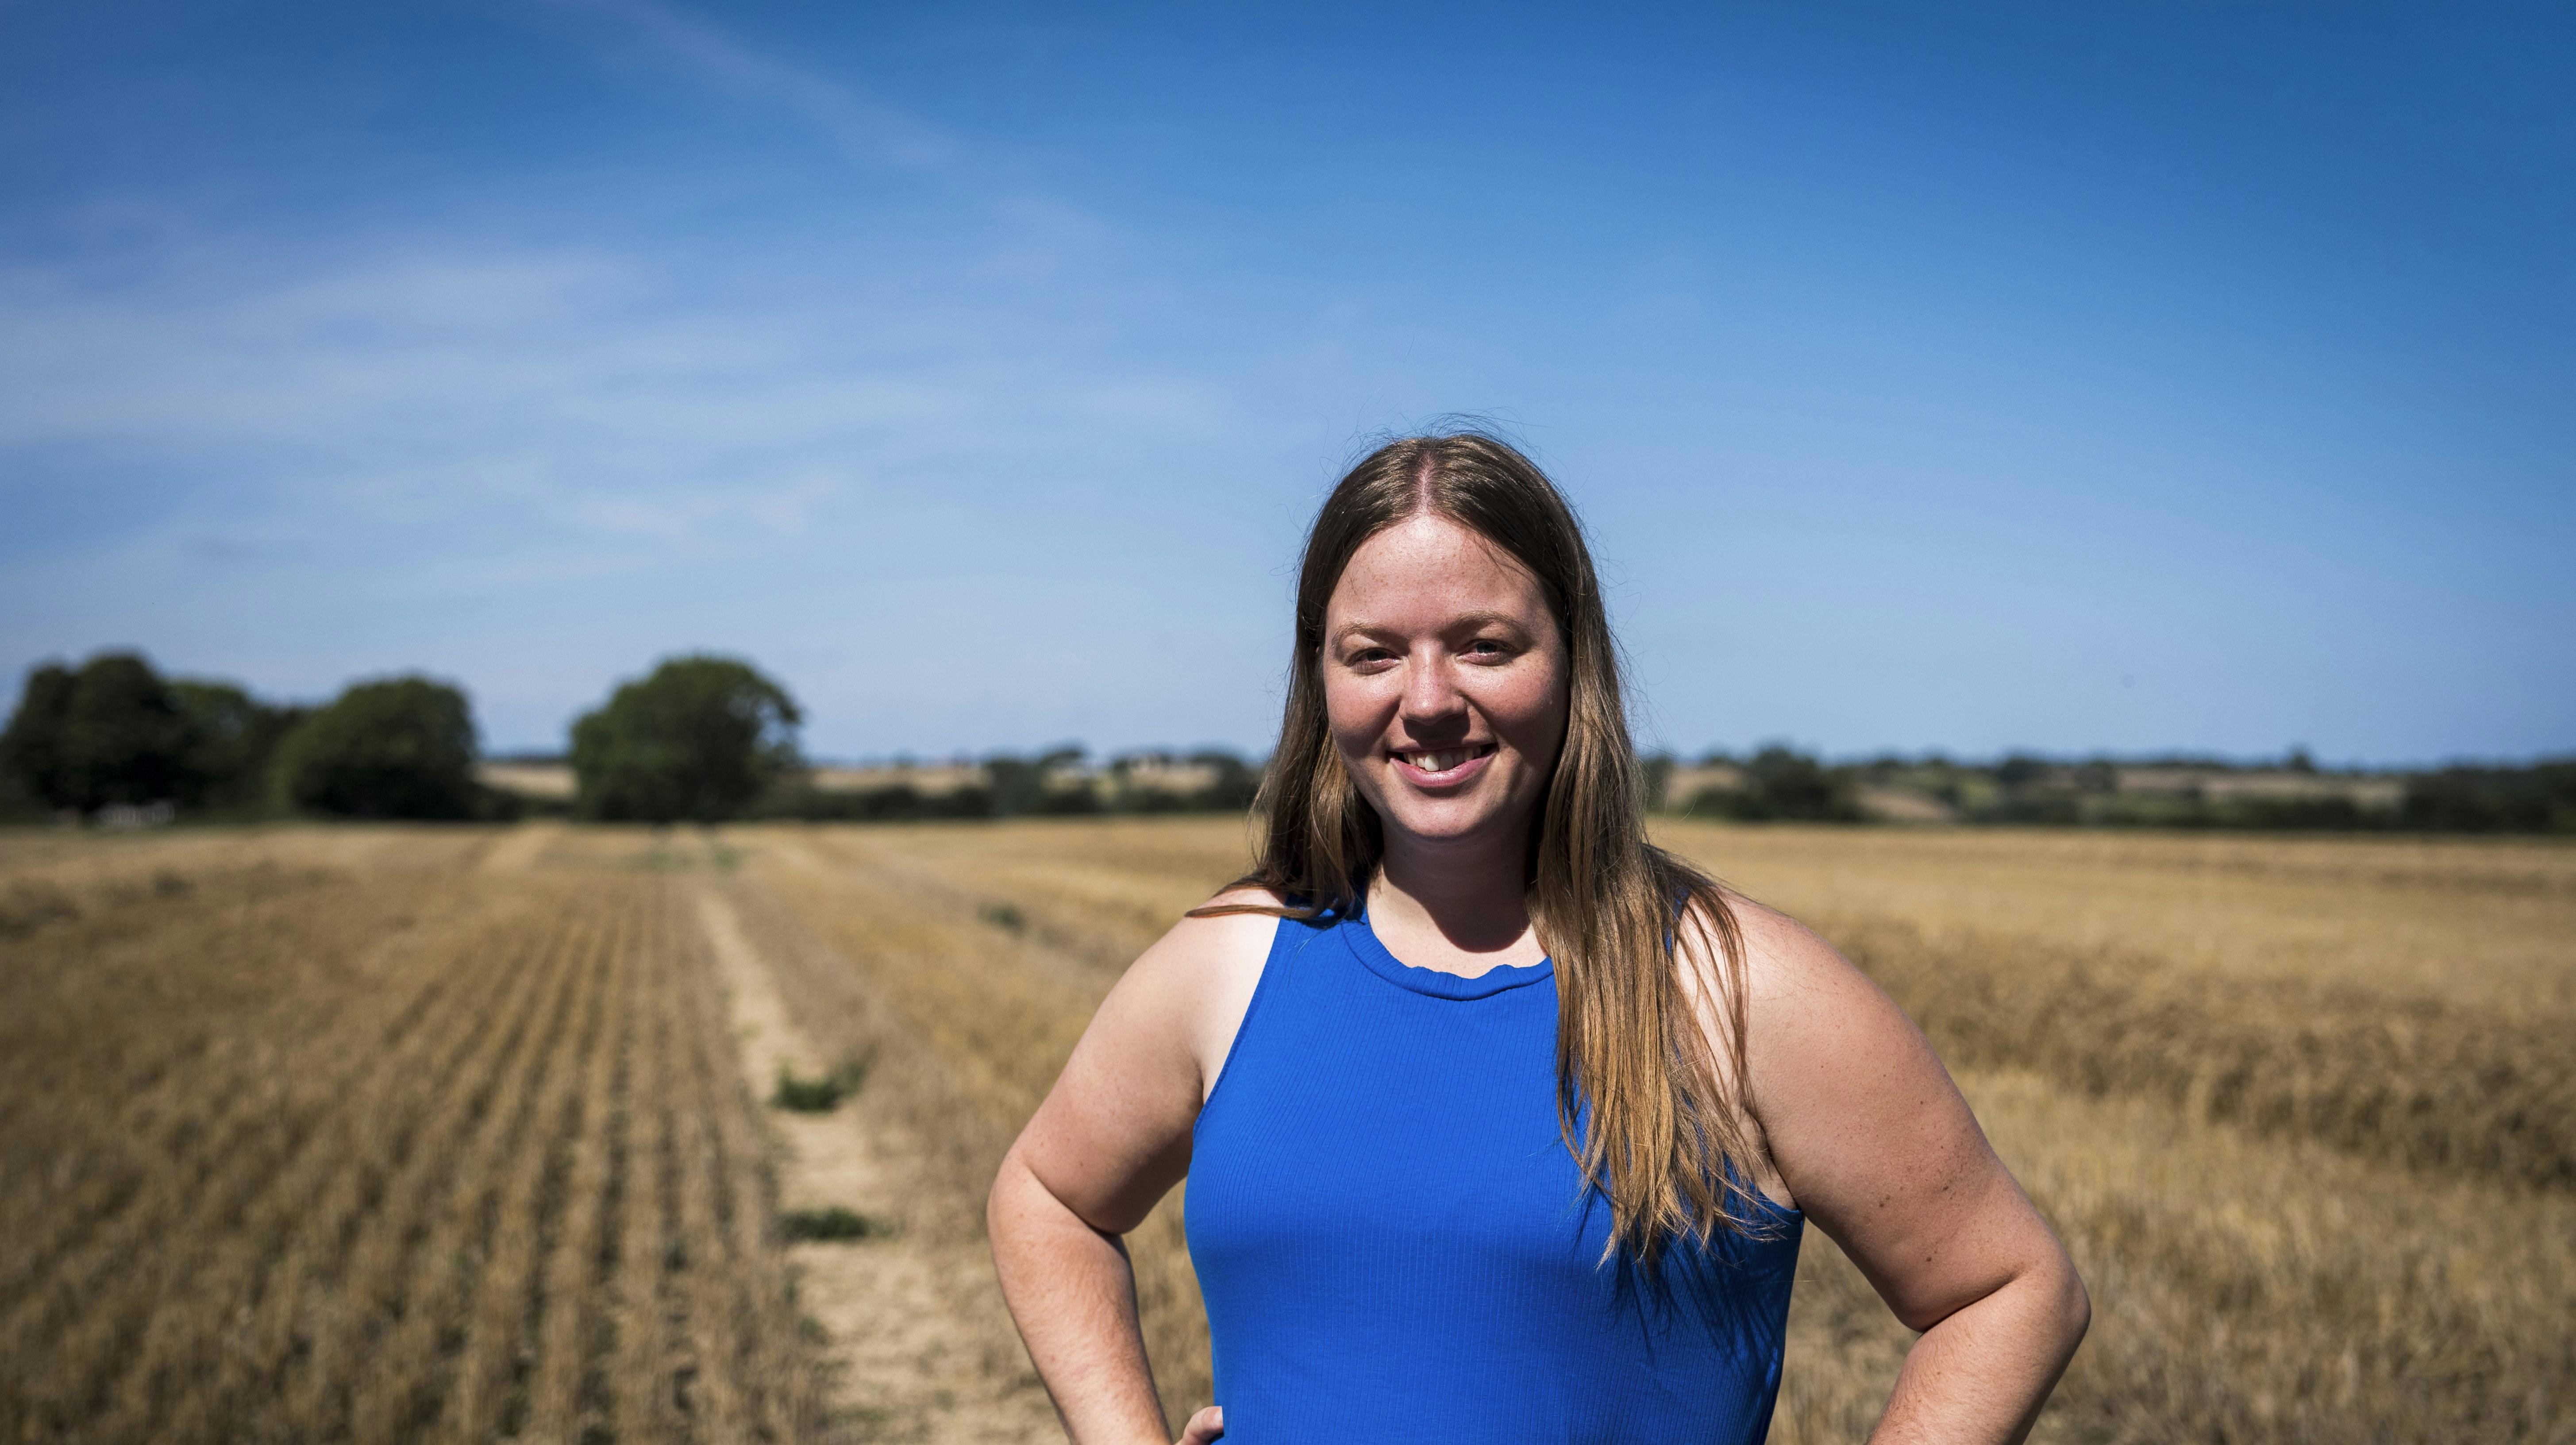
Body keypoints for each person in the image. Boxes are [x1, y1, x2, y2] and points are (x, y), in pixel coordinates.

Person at [987, 434, 2089, 1444]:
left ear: (1573, 661)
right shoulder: (1228, 963)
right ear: (1318, 677)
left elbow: (2007, 1289)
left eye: (1483, 644)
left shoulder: (1739, 990)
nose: (1426, 700)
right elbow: (1047, 1198)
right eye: (1372, 653)